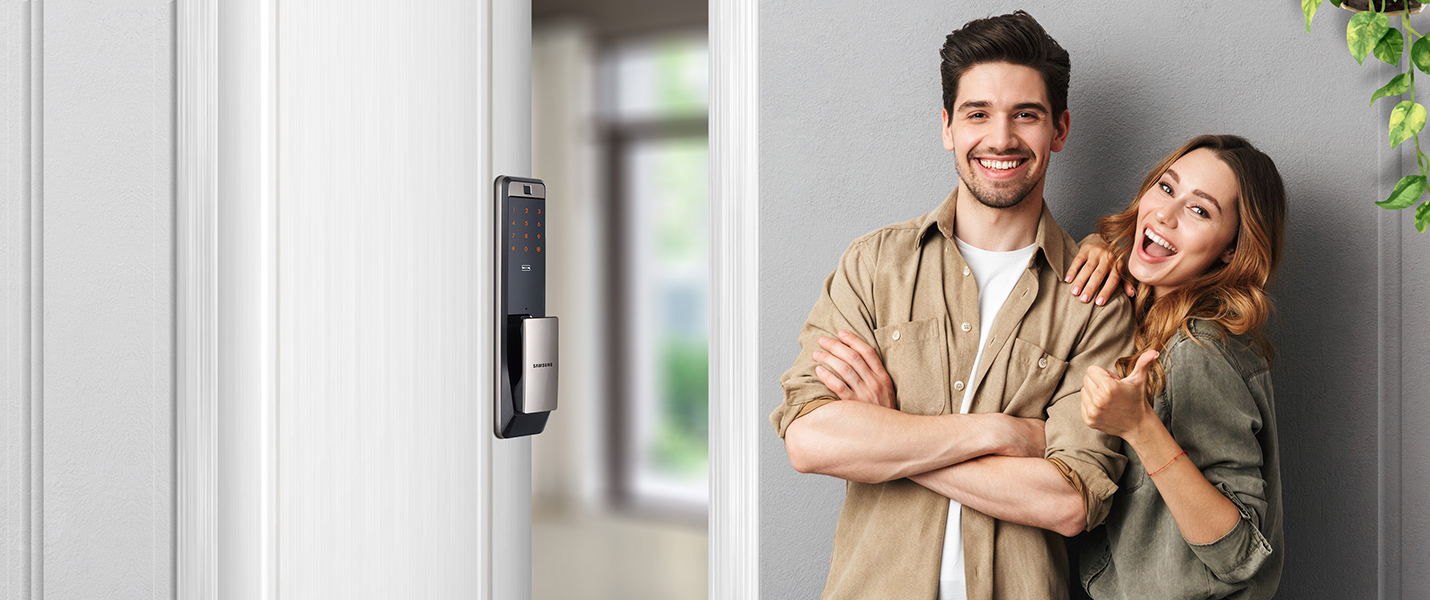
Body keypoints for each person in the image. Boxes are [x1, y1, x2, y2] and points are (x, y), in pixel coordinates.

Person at [770, 11, 1135, 600]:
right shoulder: (875, 267)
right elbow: (812, 441)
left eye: (1026, 115)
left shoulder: (1094, 300)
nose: (1001, 138)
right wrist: (1004, 434)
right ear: (947, 127)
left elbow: (1069, 500)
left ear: (1060, 129)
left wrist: (891, 437)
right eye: (977, 114)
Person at [1072, 134, 1286, 599]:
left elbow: (1241, 552)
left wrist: (1139, 427)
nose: (1166, 215)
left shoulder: (1197, 349)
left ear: (1231, 249)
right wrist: (1101, 248)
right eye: (1167, 189)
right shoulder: (1149, 320)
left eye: (1200, 210)